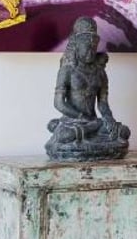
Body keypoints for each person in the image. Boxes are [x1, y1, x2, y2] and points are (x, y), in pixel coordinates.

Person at [45, 17, 130, 159]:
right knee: (65, 136)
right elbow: (58, 103)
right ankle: (72, 131)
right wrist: (80, 117)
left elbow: (103, 104)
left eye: (93, 47)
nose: (90, 51)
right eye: (86, 47)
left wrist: (109, 119)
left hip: (93, 122)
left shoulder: (100, 72)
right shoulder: (67, 71)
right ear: (77, 45)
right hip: (73, 122)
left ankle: (91, 133)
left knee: (123, 132)